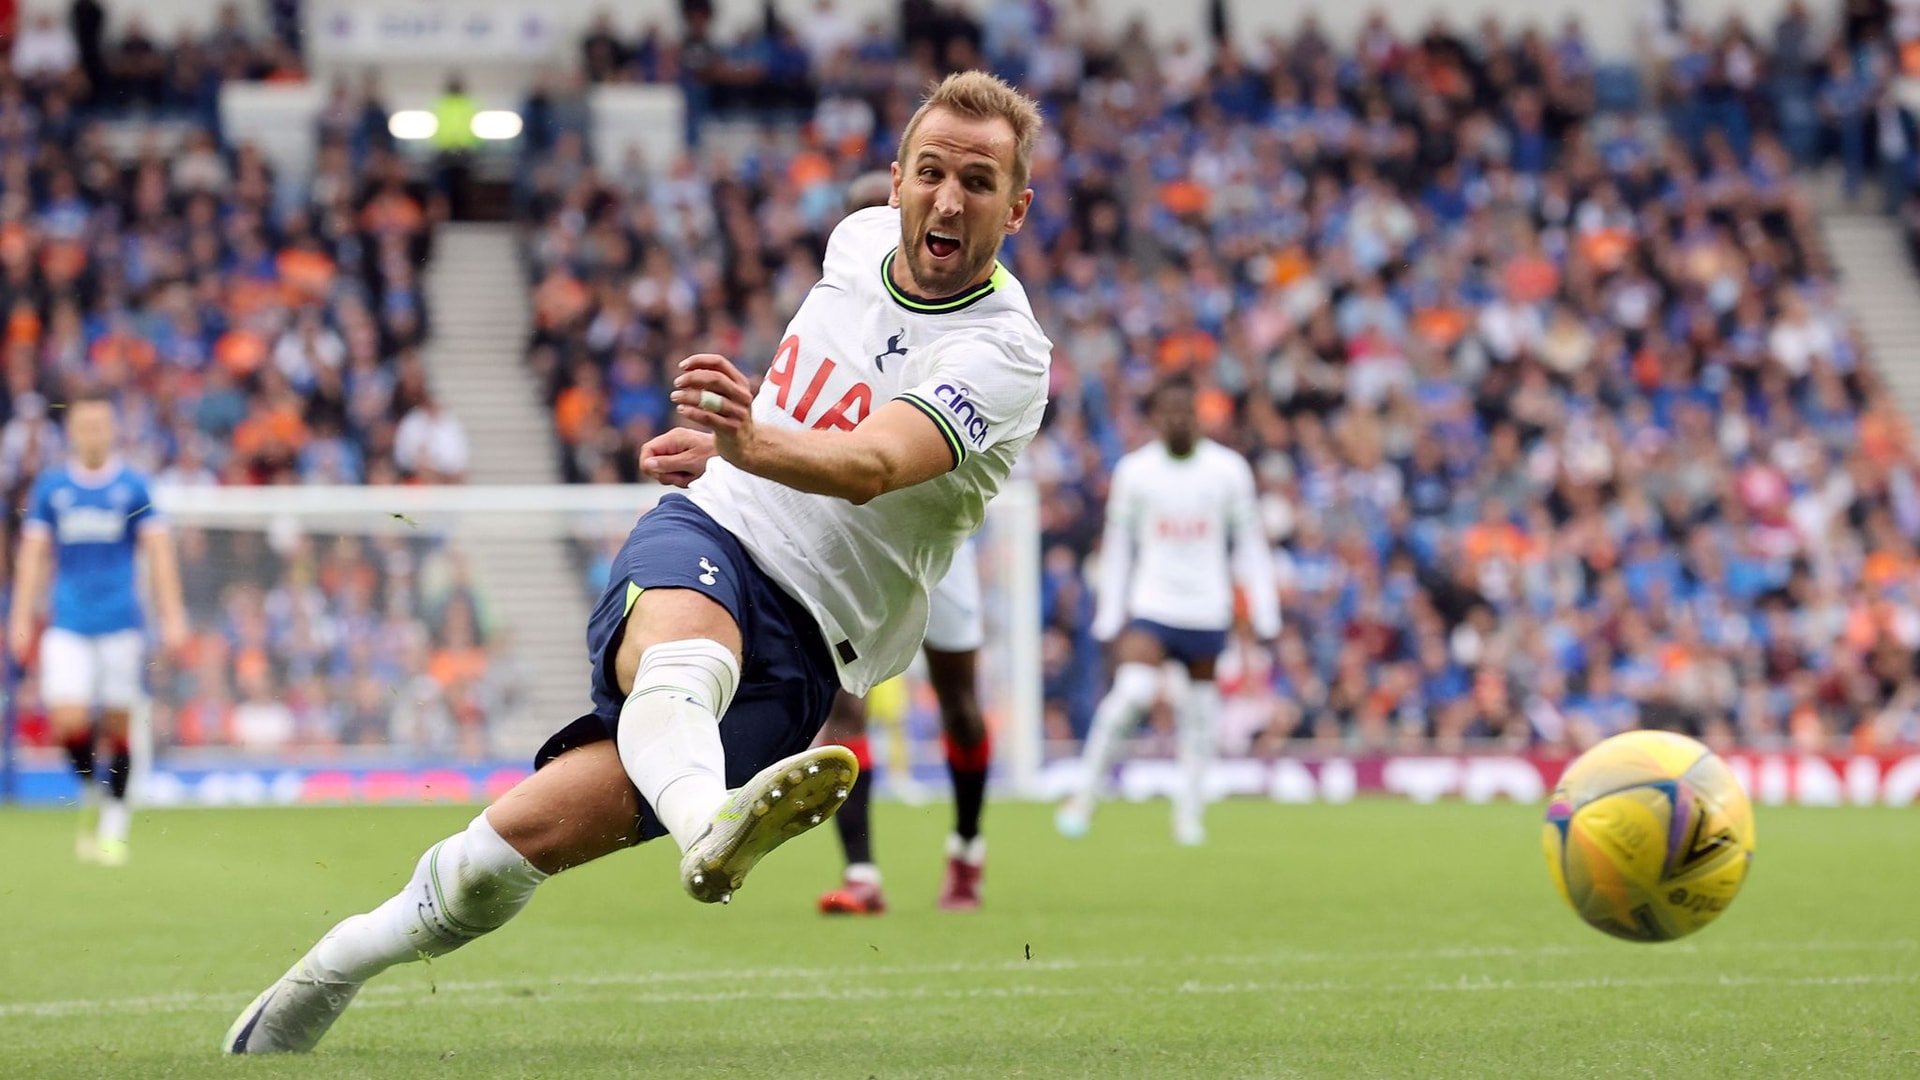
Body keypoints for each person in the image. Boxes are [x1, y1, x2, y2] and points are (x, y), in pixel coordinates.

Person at [224, 71, 1052, 1054]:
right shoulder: (857, 241)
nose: (948, 199)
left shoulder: (1006, 352)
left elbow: (876, 462)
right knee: (684, 660)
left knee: (509, 854)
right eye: (930, 172)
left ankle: (341, 958)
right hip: (715, 529)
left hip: (813, 647)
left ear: (1017, 206)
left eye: (977, 181)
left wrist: (751, 441)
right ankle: (711, 825)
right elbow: (807, 417)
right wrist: (730, 457)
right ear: (896, 177)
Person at [816, 170, 995, 915]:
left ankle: (966, 850)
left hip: (931, 544)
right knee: (841, 708)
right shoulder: (836, 310)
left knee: (958, 702)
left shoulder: (965, 322)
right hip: (851, 539)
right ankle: (863, 876)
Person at [1055, 376, 1279, 846]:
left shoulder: (1228, 470)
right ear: (1155, 420)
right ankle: (1084, 794)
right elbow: (1119, 547)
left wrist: (1264, 608)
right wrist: (1111, 613)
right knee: (1132, 693)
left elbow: (1250, 544)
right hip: (1153, 605)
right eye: (1168, 413)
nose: (1178, 421)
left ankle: (1189, 817)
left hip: (1207, 610)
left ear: (1198, 418)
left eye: (1186, 412)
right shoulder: (1136, 472)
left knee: (1200, 715)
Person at [8, 390, 188, 866]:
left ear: (112, 430)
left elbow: (158, 553)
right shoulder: (51, 488)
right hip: (68, 621)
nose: (92, 433)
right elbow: (32, 555)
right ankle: (94, 788)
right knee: (67, 721)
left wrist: (172, 616)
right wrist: (21, 616)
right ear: (72, 431)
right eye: (84, 425)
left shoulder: (132, 486)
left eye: (100, 425)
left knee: (118, 727)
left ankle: (113, 825)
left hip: (120, 624)